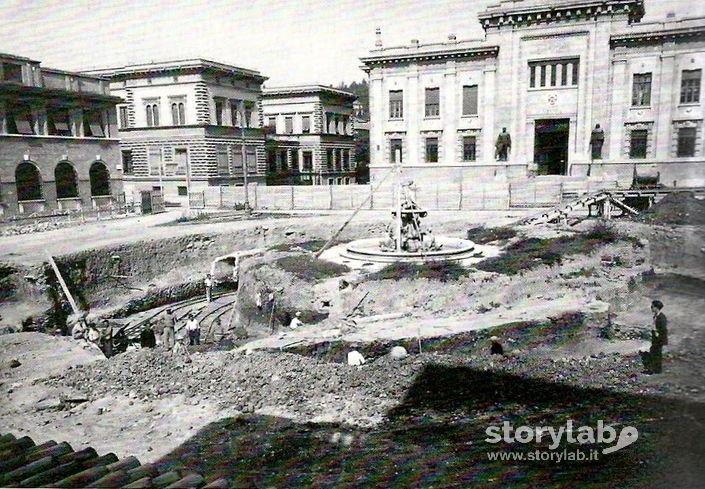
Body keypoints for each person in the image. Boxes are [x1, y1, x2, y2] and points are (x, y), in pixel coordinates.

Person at [642, 300, 668, 374]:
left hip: (659, 338)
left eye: (652, 306)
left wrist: (658, 335)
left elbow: (663, 329)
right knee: (654, 352)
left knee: (657, 353)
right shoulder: (656, 316)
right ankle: (654, 369)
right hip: (655, 337)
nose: (651, 308)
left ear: (656, 307)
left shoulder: (661, 317)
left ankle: (656, 369)